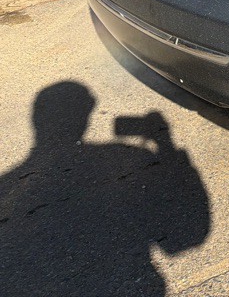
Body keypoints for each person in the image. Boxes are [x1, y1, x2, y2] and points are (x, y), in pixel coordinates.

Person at [0, 81, 210, 296]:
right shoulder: (126, 156)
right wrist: (166, 145)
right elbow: (188, 237)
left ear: (35, 120)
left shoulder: (6, 187)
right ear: (88, 113)